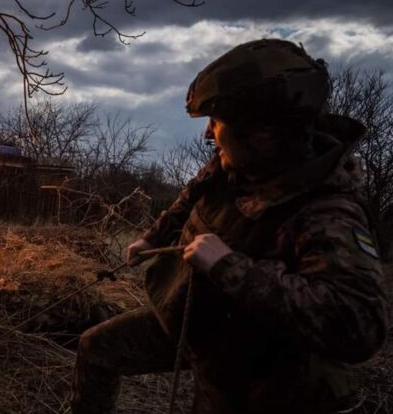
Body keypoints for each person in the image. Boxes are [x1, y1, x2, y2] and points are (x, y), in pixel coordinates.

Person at [71, 39, 389, 414]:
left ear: (261, 134)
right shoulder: (234, 165)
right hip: (201, 329)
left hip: (264, 380)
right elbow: (190, 197)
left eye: (218, 122)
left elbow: (360, 327)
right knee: (96, 348)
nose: (208, 133)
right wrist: (152, 237)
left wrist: (229, 266)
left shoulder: (327, 212)